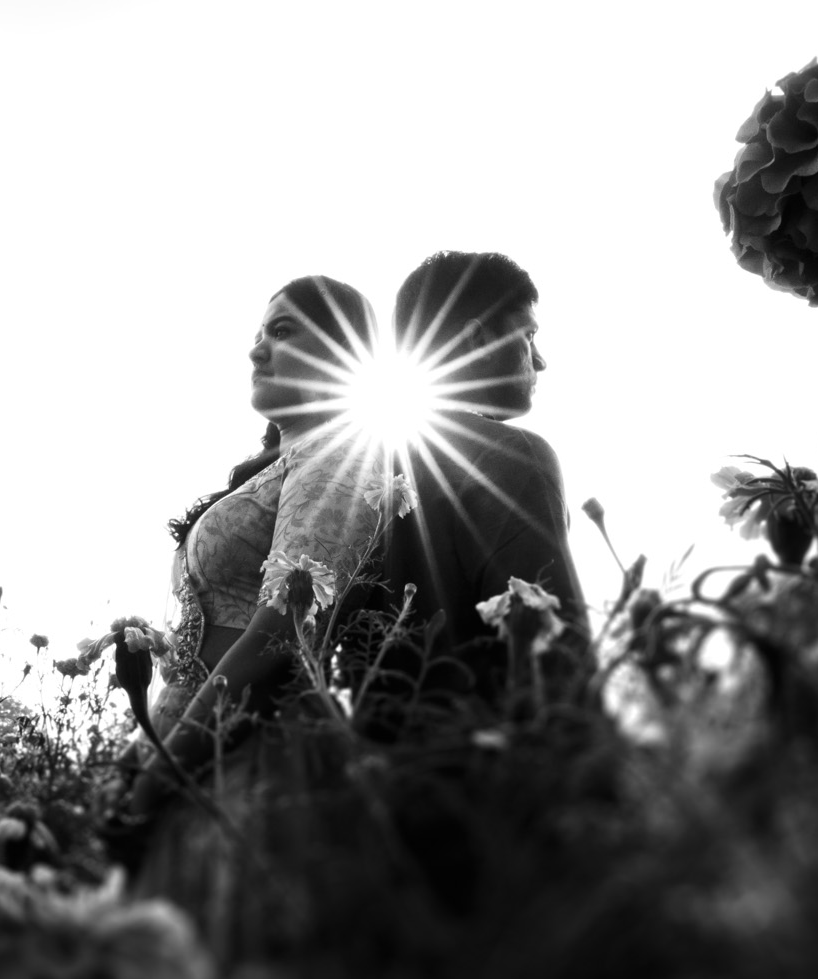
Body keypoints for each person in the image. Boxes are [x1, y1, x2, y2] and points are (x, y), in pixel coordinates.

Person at [112, 275, 390, 927]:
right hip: (191, 747)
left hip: (252, 753)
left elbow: (283, 623)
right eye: (259, 334)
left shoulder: (338, 454)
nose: (257, 350)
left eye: (283, 330)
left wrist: (166, 771)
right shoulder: (274, 468)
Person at [349, 250, 590, 723]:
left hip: (382, 770)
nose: (540, 361)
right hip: (489, 764)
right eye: (528, 335)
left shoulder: (360, 471)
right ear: (473, 339)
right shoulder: (513, 456)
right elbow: (555, 652)